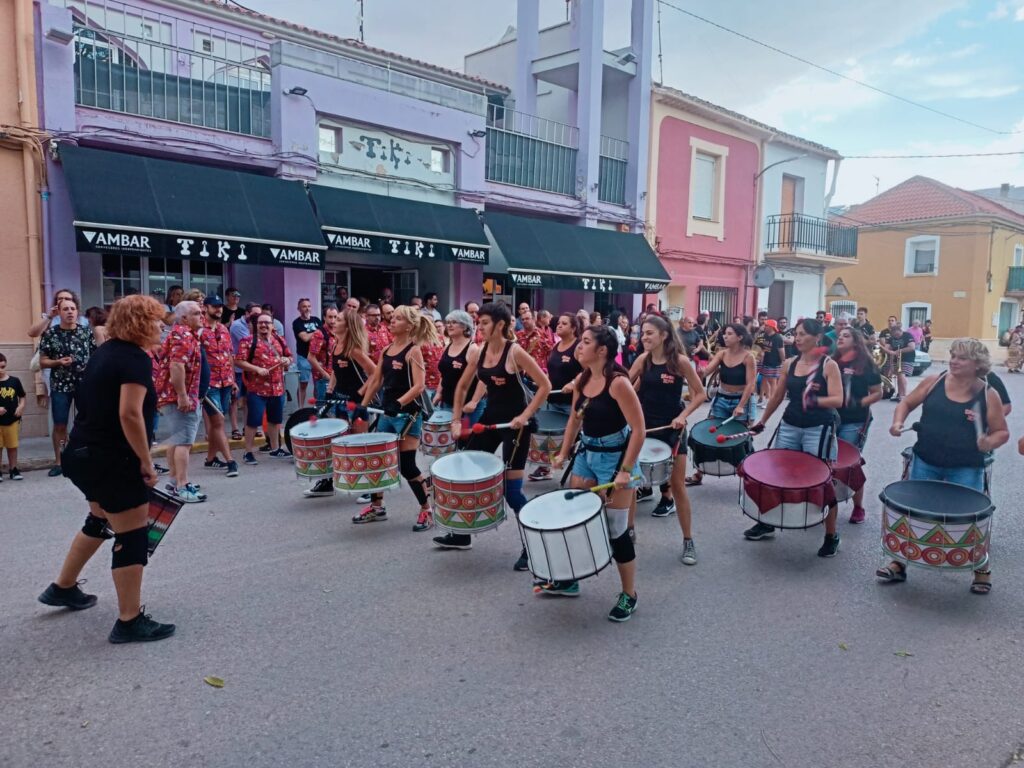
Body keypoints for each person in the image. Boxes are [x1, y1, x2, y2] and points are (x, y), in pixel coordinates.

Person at [37, 294, 175, 643]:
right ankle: (129, 621)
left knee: (99, 518)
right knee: (132, 535)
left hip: (81, 454)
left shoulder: (106, 352)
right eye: (157, 319)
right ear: (141, 323)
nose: (162, 326)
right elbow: (129, 414)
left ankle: (63, 587)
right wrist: (146, 462)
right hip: (110, 458)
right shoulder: (134, 359)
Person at [881, 339, 1009, 594]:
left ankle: (981, 568)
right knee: (914, 514)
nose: (953, 361)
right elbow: (906, 403)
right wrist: (897, 422)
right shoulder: (935, 382)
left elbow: (1001, 432)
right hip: (926, 460)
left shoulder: (987, 394)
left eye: (961, 358)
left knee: (968, 521)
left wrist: (987, 443)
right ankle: (900, 563)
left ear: (977, 364)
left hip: (965, 467)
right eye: (952, 355)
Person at [434, 302, 551, 562]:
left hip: (516, 426)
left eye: (484, 323)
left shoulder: (515, 352)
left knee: (511, 491)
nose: (480, 328)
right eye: (478, 323)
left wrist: (524, 416)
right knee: (465, 471)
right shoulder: (479, 352)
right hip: (490, 420)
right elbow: (463, 387)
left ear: (500, 325)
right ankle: (462, 534)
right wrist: (456, 420)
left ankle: (534, 545)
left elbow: (544, 385)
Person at [546, 325, 644, 621]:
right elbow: (575, 421)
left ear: (602, 350)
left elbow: (638, 430)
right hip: (587, 454)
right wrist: (563, 452)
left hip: (616, 458)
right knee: (576, 519)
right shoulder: (582, 379)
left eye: (585, 342)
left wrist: (626, 470)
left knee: (617, 531)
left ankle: (629, 595)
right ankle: (572, 578)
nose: (579, 346)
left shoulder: (618, 383)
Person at [748, 318, 844, 557]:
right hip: (790, 425)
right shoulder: (789, 364)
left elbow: (837, 400)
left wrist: (814, 400)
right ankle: (768, 522)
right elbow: (778, 395)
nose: (797, 338)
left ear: (817, 338)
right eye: (796, 334)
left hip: (818, 428)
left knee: (821, 479)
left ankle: (831, 535)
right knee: (776, 475)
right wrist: (762, 422)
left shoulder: (828, 365)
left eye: (802, 334)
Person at [629, 315, 707, 564]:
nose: (644, 337)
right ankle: (628, 533)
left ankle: (688, 540)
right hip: (645, 428)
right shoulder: (643, 360)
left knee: (678, 487)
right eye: (642, 333)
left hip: (672, 429)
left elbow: (700, 394)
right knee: (631, 484)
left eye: (649, 333)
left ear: (663, 335)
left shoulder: (680, 362)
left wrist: (683, 416)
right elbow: (624, 385)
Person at [354, 306, 438, 531]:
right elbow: (377, 381)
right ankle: (377, 506)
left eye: (398, 319)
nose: (391, 320)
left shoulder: (414, 351)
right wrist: (363, 406)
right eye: (392, 317)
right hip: (388, 414)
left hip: (408, 414)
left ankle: (426, 510)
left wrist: (398, 403)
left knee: (407, 466)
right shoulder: (386, 350)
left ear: (409, 326)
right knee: (379, 460)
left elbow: (420, 386)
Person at [303, 308, 375, 498]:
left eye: (340, 319)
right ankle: (329, 482)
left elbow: (375, 373)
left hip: (358, 401)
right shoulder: (336, 344)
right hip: (340, 397)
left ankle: (369, 489)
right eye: (335, 319)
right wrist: (330, 388)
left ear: (348, 325)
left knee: (360, 444)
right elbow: (335, 369)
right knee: (338, 443)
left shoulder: (354, 349)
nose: (335, 321)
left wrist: (361, 393)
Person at [686, 323, 757, 486]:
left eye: (730, 334)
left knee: (742, 438)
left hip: (742, 400)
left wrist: (741, 405)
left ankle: (749, 474)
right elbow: (707, 371)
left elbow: (750, 384)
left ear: (739, 337)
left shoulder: (748, 357)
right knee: (709, 435)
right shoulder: (722, 354)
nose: (725, 336)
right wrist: (697, 370)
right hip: (722, 399)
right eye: (724, 334)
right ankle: (699, 472)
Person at [39, 297, 97, 477]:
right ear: (59, 313)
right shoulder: (51, 334)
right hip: (60, 384)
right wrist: (57, 362)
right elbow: (42, 361)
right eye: (66, 309)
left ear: (77, 312)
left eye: (73, 308)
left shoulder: (86, 332)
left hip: (83, 383)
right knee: (60, 424)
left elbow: (95, 356)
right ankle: (60, 461)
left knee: (88, 421)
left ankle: (86, 457)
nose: (70, 312)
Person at [832, 326, 882, 524]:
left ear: (856, 341)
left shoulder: (867, 364)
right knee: (826, 462)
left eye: (846, 336)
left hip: (855, 421)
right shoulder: (832, 361)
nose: (840, 339)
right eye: (839, 336)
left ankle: (858, 507)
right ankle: (827, 502)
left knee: (850, 464)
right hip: (829, 419)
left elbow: (878, 393)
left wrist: (861, 403)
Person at [156, 301, 204, 503]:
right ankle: (183, 486)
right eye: (196, 313)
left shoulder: (181, 334)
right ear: (184, 318)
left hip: (174, 396)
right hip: (181, 398)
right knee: (184, 442)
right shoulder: (183, 336)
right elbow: (177, 367)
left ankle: (174, 482)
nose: (201, 315)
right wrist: (183, 395)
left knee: (177, 440)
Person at [527, 312, 584, 482]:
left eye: (564, 323)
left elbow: (587, 371)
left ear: (574, 328)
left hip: (570, 403)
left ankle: (577, 471)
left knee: (570, 438)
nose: (558, 325)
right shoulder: (556, 346)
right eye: (559, 323)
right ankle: (546, 467)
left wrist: (573, 383)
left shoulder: (579, 347)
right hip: (553, 399)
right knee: (550, 436)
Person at [235, 313, 293, 465]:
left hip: (278, 387)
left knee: (275, 420)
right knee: (253, 422)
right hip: (257, 389)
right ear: (256, 325)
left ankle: (275, 449)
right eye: (261, 323)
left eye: (267, 323)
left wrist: (287, 360)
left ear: (273, 325)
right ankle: (248, 452)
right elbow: (239, 361)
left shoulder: (279, 340)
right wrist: (256, 369)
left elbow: (289, 356)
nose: (264, 325)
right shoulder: (248, 341)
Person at [199, 296, 239, 478]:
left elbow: (230, 356)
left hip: (225, 381)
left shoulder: (223, 329)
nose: (218, 310)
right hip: (209, 383)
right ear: (206, 308)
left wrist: (233, 380)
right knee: (219, 421)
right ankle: (230, 460)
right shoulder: (199, 330)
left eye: (220, 307)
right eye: (214, 307)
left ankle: (210, 458)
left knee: (218, 422)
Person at [433, 310, 483, 421]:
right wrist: (438, 393)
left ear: (465, 327)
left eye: (454, 322)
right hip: (448, 402)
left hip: (467, 406)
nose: (449, 325)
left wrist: (474, 402)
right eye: (448, 322)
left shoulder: (472, 349)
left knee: (467, 438)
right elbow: (444, 374)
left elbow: (483, 379)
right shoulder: (447, 347)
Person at [0, 352, 26, 480]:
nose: (1, 369)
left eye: (3, 366)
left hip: (12, 420)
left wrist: (21, 407)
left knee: (12, 446)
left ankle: (13, 469)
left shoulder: (14, 381)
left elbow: (22, 396)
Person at [292, 298, 322, 407]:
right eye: (304, 306)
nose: (307, 308)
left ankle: (317, 408)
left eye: (309, 306)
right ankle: (300, 409)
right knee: (303, 384)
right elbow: (304, 338)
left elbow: (322, 335)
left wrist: (313, 333)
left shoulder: (317, 320)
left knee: (317, 384)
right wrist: (317, 332)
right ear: (299, 309)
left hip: (317, 357)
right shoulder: (297, 322)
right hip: (304, 357)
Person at [307, 305, 338, 402]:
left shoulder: (337, 332)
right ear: (324, 317)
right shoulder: (319, 333)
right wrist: (324, 374)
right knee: (323, 408)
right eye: (330, 317)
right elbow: (310, 357)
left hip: (336, 376)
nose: (333, 320)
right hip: (323, 378)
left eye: (335, 317)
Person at [880, 317, 915, 401]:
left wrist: (898, 351)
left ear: (900, 331)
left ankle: (903, 395)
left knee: (902, 375)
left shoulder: (907, 335)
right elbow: (888, 349)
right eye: (894, 336)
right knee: (899, 376)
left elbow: (912, 347)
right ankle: (899, 394)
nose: (896, 337)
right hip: (897, 359)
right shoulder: (891, 338)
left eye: (897, 335)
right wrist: (880, 346)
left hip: (907, 358)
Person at [757, 319, 785, 404]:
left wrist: (783, 362)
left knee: (772, 381)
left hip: (774, 362)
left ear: (771, 327)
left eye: (766, 325)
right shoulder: (764, 335)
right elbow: (759, 346)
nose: (764, 327)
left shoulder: (778, 337)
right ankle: (762, 398)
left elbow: (781, 351)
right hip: (764, 361)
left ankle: (772, 401)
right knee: (763, 380)